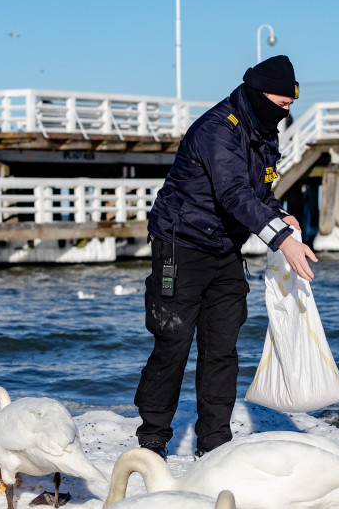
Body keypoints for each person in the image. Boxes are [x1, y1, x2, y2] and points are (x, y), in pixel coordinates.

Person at [134, 55, 318, 460]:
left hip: (225, 250)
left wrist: (279, 212)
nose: (286, 113)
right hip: (180, 246)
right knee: (174, 341)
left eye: (291, 106)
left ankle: (214, 444)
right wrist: (283, 240)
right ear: (259, 94)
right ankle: (152, 442)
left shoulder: (263, 130)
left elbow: (260, 191)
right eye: (282, 105)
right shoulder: (217, 129)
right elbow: (233, 194)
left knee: (222, 347)